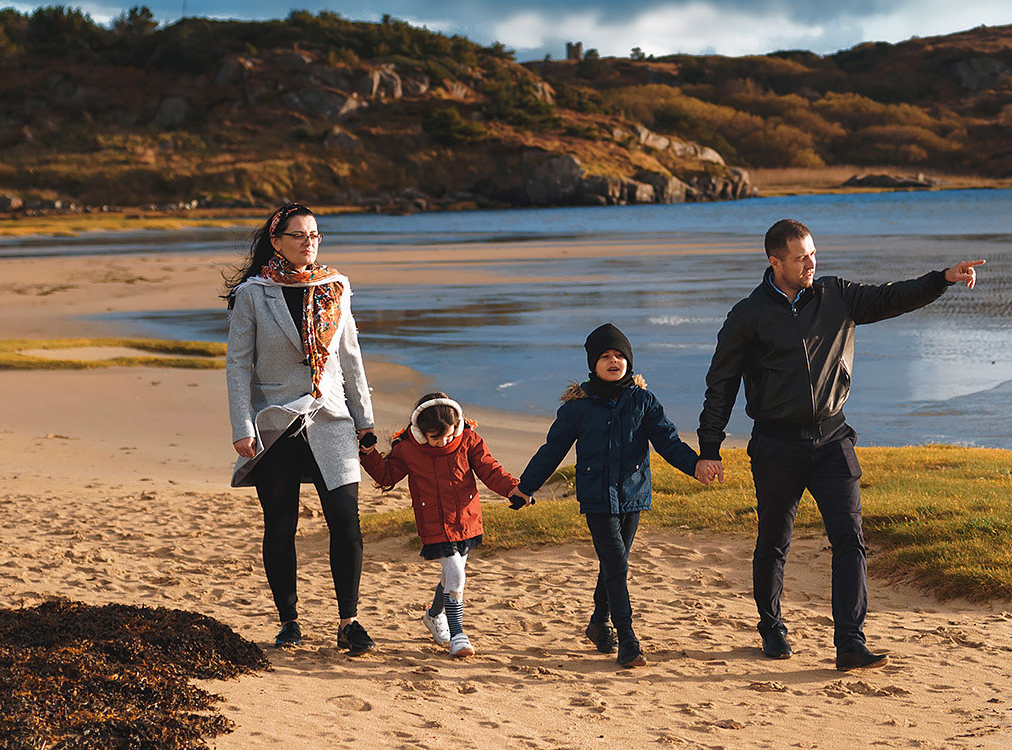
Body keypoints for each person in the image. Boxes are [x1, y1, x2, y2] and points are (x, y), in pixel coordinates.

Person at [695, 219, 984, 670]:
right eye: (800, 257)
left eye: (813, 253)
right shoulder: (747, 316)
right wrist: (709, 447)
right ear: (775, 262)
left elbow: (891, 297)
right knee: (774, 542)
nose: (812, 262)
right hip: (776, 444)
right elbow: (721, 384)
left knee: (850, 540)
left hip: (832, 438)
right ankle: (771, 627)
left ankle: (850, 642)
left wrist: (941, 280)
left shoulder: (837, 295)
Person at [225, 203, 380, 655]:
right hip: (275, 424)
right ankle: (289, 621)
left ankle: (349, 621)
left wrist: (365, 420)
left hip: (333, 417)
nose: (309, 243)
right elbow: (238, 366)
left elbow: (351, 357)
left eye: (315, 235)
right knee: (280, 525)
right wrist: (242, 425)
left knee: (346, 521)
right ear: (277, 241)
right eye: (299, 235)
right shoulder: (253, 293)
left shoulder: (337, 285)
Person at [517, 324, 701, 669]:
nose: (613, 360)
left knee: (614, 564)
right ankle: (627, 639)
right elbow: (552, 449)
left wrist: (696, 467)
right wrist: (526, 486)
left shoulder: (643, 401)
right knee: (617, 564)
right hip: (597, 495)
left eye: (619, 355)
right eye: (605, 356)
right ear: (593, 364)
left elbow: (668, 442)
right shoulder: (578, 407)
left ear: (629, 361)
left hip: (633, 494)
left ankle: (598, 622)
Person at [360, 391, 528, 659]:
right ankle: (458, 635)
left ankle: (434, 614)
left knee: (451, 574)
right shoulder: (408, 448)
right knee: (456, 574)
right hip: (433, 522)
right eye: (435, 437)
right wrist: (367, 453)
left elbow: (490, 470)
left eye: (448, 435)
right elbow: (386, 474)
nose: (443, 442)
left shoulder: (469, 440)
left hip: (466, 518)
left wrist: (514, 490)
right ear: (420, 431)